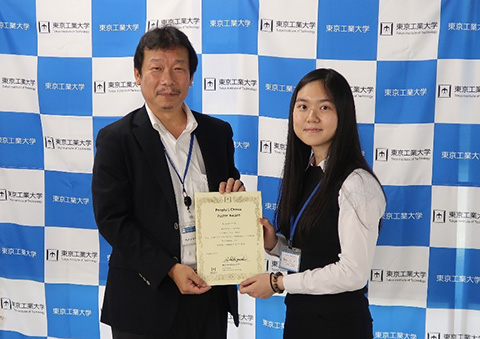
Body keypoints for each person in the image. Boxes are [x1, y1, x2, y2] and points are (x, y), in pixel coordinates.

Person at [92, 26, 244, 339]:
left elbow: (229, 195)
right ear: (137, 75)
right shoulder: (116, 139)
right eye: (156, 68)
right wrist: (169, 269)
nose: (168, 80)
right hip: (145, 298)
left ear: (191, 77)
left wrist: (234, 202)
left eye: (178, 69)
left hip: (209, 295)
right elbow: (112, 220)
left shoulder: (217, 133)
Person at [239, 68, 386, 338]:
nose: (311, 117)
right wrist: (274, 245)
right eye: (303, 106)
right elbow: (311, 256)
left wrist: (277, 282)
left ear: (343, 114)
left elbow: (353, 272)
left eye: (325, 107)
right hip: (300, 319)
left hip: (339, 326)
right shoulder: (308, 173)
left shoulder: (357, 184)